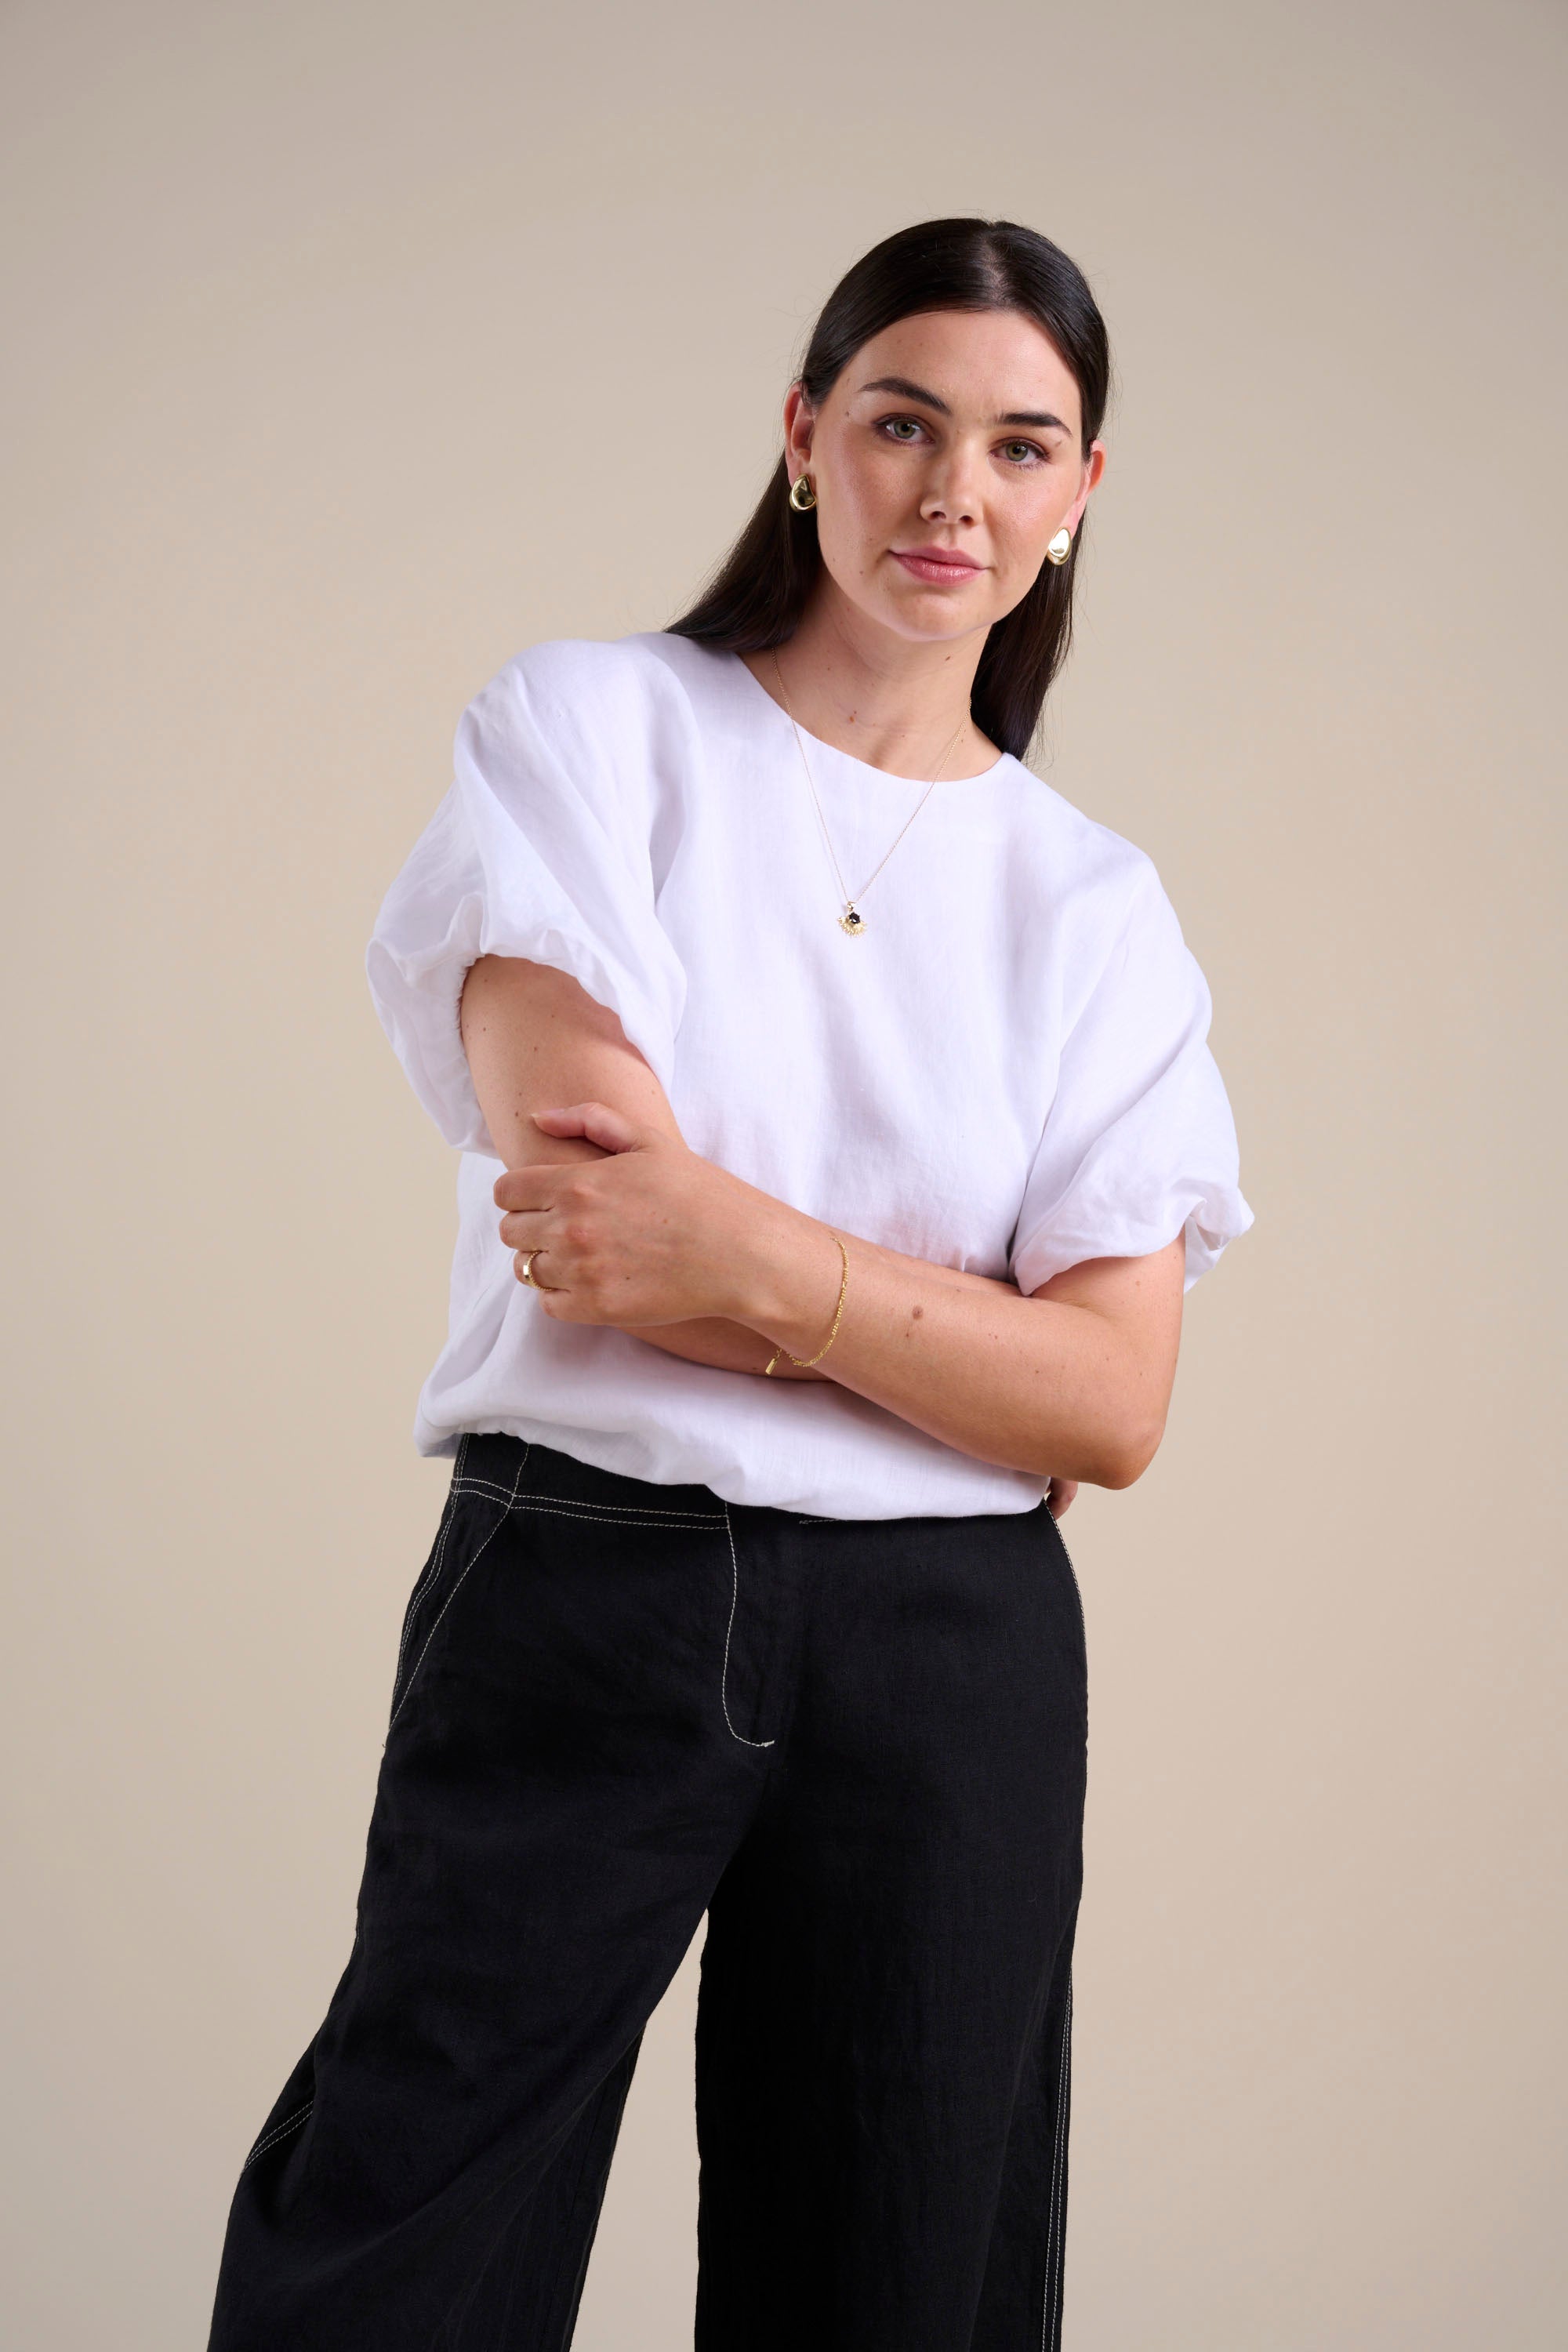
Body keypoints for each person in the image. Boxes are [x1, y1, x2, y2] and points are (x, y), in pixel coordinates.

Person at [207, 216, 1254, 2352]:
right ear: (804, 439)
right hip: (590, 1585)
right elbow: (596, 1227)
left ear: (1078, 498)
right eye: (901, 422)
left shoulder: (1096, 908)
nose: (954, 490)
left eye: (1019, 446)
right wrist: (968, 1336)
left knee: (905, 2279)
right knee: (401, 2242)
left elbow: (1115, 1410)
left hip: (951, 1658)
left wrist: (753, 1256)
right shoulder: (593, 733)